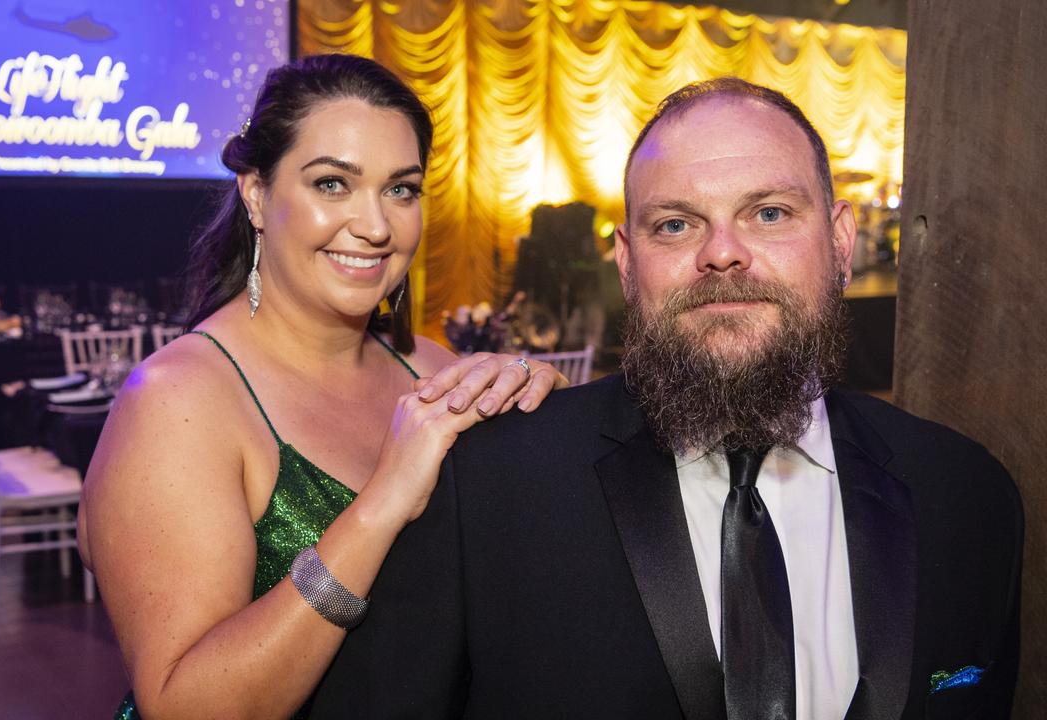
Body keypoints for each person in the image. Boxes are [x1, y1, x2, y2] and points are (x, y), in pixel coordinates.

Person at [309, 78, 1022, 719]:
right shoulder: (489, 485)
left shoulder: (965, 494)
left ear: (840, 242)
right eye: (675, 225)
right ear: (626, 262)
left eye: (769, 213)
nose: (722, 253)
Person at [76, 54, 568, 720]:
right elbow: (185, 707)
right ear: (255, 194)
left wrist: (544, 428)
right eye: (333, 184)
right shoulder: (180, 400)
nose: (375, 226)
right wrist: (380, 505)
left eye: (401, 189)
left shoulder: (430, 369)